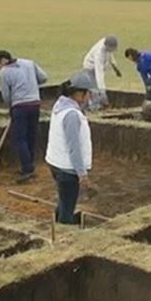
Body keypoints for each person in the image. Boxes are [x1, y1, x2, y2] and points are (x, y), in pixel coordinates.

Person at [44, 73, 95, 225]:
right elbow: (74, 147)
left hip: (56, 163)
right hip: (67, 169)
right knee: (68, 207)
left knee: (64, 199)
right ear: (80, 94)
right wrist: (82, 174)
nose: (89, 97)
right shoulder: (71, 115)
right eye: (88, 93)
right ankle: (64, 234)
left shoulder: (60, 106)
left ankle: (58, 220)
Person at [0, 50, 49, 184]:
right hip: (35, 104)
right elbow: (43, 78)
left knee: (19, 139)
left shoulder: (4, 72)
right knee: (31, 135)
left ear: (3, 60)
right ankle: (29, 165)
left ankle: (27, 168)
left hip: (20, 107)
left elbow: (6, 96)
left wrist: (10, 108)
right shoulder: (29, 63)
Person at [81, 35, 121, 110]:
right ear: (107, 46)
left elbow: (110, 55)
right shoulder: (99, 53)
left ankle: (95, 104)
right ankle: (93, 107)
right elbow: (99, 73)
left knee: (97, 89)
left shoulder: (107, 45)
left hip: (97, 68)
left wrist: (115, 67)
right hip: (90, 67)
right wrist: (102, 90)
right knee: (94, 89)